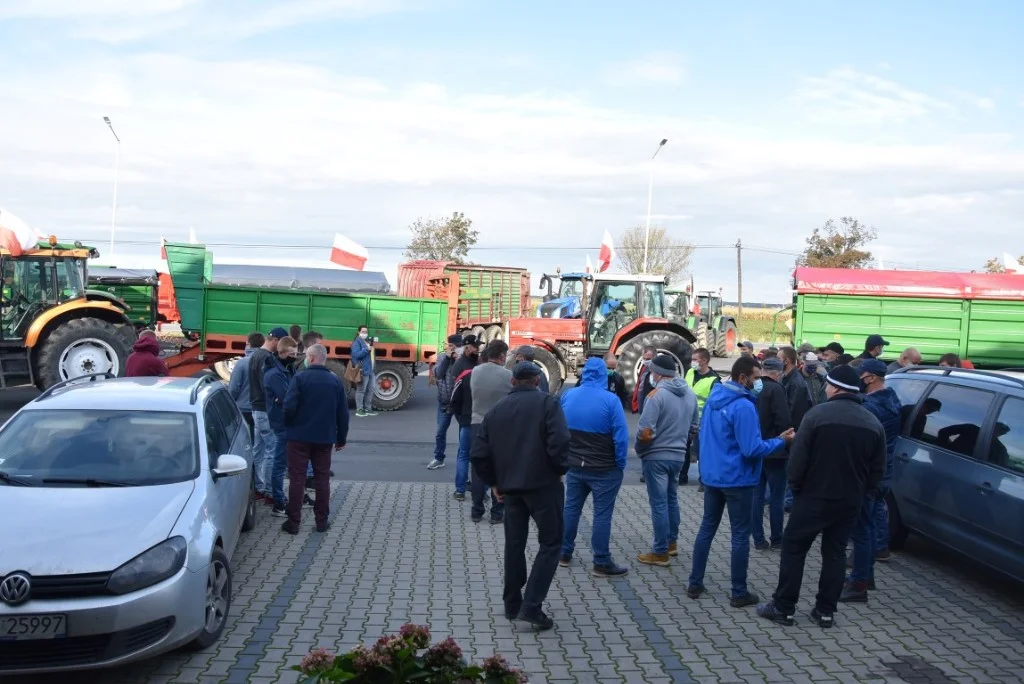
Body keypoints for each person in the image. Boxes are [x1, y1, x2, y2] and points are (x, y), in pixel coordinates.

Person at [757, 364, 886, 628]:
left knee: (794, 550)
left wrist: (797, 489)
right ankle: (825, 611)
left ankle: (784, 607)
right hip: (849, 501)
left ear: (836, 388)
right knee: (835, 554)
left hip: (813, 497)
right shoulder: (873, 423)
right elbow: (877, 470)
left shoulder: (816, 416)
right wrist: (861, 492)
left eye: (828, 385)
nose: (825, 389)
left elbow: (797, 461)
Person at [470, 362, 571, 631]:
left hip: (511, 489)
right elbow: (560, 442)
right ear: (537, 380)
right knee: (551, 543)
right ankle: (532, 606)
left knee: (514, 544)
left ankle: (512, 604)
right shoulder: (549, 404)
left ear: (512, 381)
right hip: (544, 487)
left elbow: (478, 453)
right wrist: (559, 469)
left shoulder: (496, 411)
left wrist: (494, 482)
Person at [686, 356, 792, 606]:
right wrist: (781, 441)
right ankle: (738, 591)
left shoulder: (715, 398)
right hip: (737, 480)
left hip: (713, 477)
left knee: (706, 529)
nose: (759, 383)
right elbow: (751, 449)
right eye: (756, 378)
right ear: (743, 377)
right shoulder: (743, 406)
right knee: (740, 536)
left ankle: (694, 582)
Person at [559, 357, 630, 577]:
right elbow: (621, 437)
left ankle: (563, 553)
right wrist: (620, 464)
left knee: (571, 509)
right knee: (602, 514)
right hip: (604, 467)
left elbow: (558, 428)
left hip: (574, 464)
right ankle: (601, 561)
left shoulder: (569, 395)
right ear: (602, 375)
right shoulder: (611, 400)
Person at [841, 359, 901, 602]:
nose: (859, 380)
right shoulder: (892, 400)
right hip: (880, 473)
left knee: (862, 530)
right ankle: (866, 575)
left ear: (872, 378)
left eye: (862, 376)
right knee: (869, 526)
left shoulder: (872, 407)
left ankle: (859, 584)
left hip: (868, 475)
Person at [635, 354, 699, 567]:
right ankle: (672, 543)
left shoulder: (656, 396)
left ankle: (660, 551)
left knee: (659, 503)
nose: (650, 374)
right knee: (672, 500)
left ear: (658, 373)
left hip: (657, 456)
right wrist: (683, 443)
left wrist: (641, 449)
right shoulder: (689, 394)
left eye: (652, 371)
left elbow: (645, 431)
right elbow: (694, 428)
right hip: (678, 456)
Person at [281, 344, 349, 535]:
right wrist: (341, 438)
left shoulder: (300, 378)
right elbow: (342, 414)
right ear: (324, 359)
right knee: (322, 479)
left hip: (298, 438)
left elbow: (288, 406)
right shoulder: (335, 382)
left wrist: (289, 425)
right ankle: (321, 521)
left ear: (310, 358)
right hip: (324, 439)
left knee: (297, 479)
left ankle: (293, 523)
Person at [468, 340, 511, 523]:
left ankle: (477, 510)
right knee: (499, 468)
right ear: (501, 356)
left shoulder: (476, 371)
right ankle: (497, 512)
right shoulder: (508, 374)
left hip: (477, 423)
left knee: (478, 468)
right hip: (500, 426)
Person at [752, 358, 792, 551]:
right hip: (775, 451)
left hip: (755, 449)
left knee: (757, 496)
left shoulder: (754, 388)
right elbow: (783, 419)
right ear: (778, 373)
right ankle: (777, 539)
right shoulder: (776, 389)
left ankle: (758, 540)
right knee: (776, 498)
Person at [250, 327, 288, 503]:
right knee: (272, 451)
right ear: (276, 340)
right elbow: (269, 385)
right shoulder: (267, 358)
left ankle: (257, 487)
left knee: (258, 449)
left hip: (256, 407)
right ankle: (270, 492)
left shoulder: (255, 355)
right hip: (266, 410)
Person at [264, 336, 299, 517]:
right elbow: (289, 398)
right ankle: (278, 502)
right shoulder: (276, 374)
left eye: (297, 353)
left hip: (287, 422)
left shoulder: (288, 368)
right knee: (279, 464)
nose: (295, 356)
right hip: (282, 423)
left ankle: (283, 498)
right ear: (282, 352)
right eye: (292, 353)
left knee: (284, 463)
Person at [448, 336, 482, 499]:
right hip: (468, 419)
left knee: (474, 456)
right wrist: (460, 417)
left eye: (478, 346)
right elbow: (454, 396)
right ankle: (461, 489)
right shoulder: (459, 365)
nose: (477, 349)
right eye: (475, 346)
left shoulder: (480, 363)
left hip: (478, 420)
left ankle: (477, 490)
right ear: (467, 347)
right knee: (465, 455)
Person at [684, 348, 721, 486]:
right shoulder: (690, 372)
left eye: (695, 359)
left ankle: (704, 481)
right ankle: (682, 477)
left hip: (703, 421)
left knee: (702, 452)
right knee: (683, 449)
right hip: (685, 418)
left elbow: (714, 405)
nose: (692, 362)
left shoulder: (714, 380)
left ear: (704, 361)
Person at [427, 334, 463, 470]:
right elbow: (438, 374)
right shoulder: (442, 357)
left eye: (459, 347)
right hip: (444, 401)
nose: (456, 350)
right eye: (453, 347)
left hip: (461, 403)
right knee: (440, 432)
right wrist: (448, 358)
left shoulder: (464, 358)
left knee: (464, 433)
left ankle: (464, 459)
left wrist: (459, 359)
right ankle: (438, 458)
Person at [228, 332, 264, 441]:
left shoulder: (241, 363)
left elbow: (234, 388)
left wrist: (230, 403)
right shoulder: (266, 361)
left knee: (241, 438)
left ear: (248, 344)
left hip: (242, 408)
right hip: (260, 408)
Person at [351, 325, 376, 417]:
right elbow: (356, 355)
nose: (365, 333)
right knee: (361, 390)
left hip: (370, 370)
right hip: (363, 370)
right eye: (363, 331)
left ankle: (367, 408)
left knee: (371, 389)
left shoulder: (366, 342)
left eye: (366, 332)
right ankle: (359, 409)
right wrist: (366, 349)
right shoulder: (357, 342)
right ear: (358, 332)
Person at [630, 345, 657, 414]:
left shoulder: (657, 370)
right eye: (643, 358)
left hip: (650, 399)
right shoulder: (644, 366)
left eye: (648, 359)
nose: (645, 360)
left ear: (655, 357)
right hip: (641, 397)